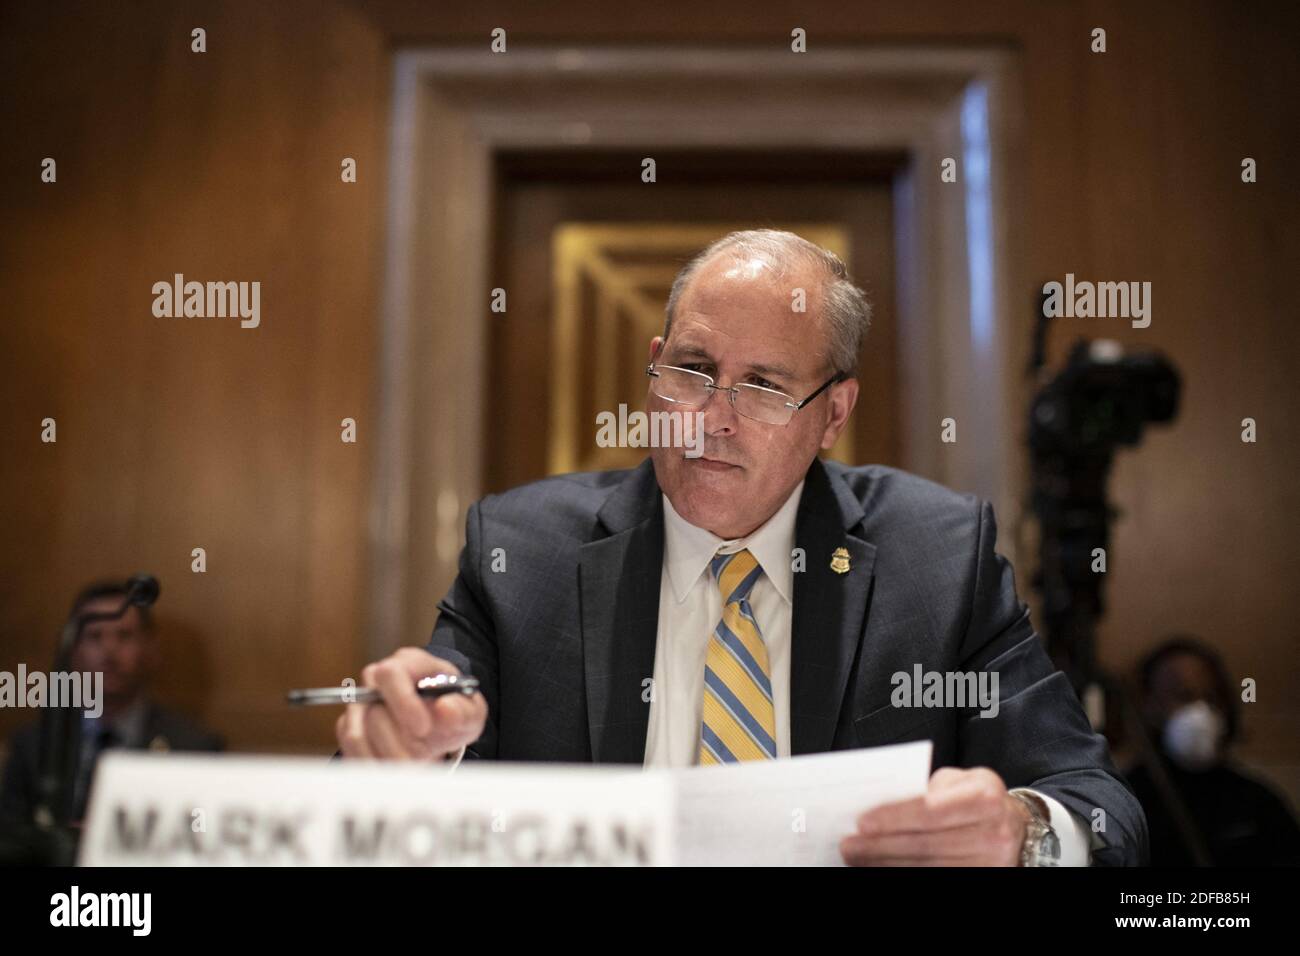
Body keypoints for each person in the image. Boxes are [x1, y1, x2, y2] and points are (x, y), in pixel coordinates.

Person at [337, 229, 1148, 866]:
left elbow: (1100, 806)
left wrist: (1021, 831)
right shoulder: (521, 555)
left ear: (834, 414)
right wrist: (412, 757)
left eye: (764, 387)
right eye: (692, 371)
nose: (713, 419)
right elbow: (392, 785)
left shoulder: (937, 560)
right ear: (654, 372)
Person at [0, 579, 223, 828]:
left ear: (150, 650)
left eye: (124, 636)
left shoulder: (193, 748)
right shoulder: (33, 747)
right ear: (73, 652)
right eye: (95, 637)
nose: (109, 651)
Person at [1125, 635, 1300, 866]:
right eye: (1183, 696)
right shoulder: (1124, 802)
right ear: (1150, 706)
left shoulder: (1259, 803)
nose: (1200, 710)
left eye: (1211, 697)